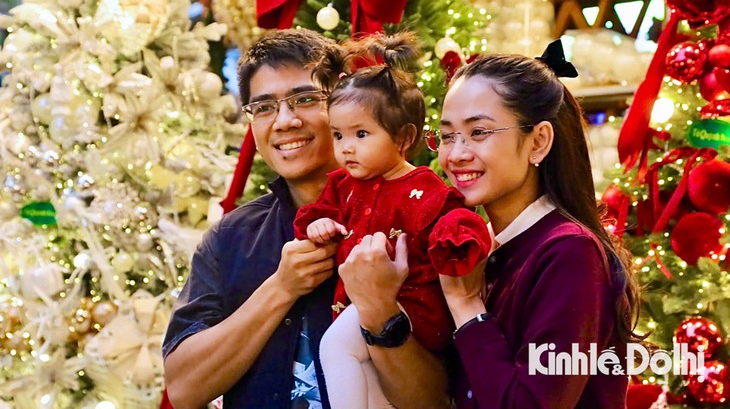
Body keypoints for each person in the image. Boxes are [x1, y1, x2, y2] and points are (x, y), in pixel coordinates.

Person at [162, 28, 450, 409]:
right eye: (264, 107)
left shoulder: (413, 218)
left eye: (305, 99)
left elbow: (438, 399)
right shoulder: (232, 237)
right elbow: (183, 389)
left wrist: (380, 312)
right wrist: (281, 288)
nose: (284, 120)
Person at [430, 41, 641, 408]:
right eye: (448, 136)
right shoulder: (483, 248)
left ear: (538, 142)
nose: (456, 153)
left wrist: (466, 307)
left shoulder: (570, 252)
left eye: (478, 132)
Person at [292, 33, 490, 409]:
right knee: (371, 384)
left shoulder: (423, 188)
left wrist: (455, 240)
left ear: (403, 138)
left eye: (361, 134)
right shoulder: (342, 185)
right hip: (360, 304)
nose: (346, 147)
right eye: (338, 135)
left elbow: (457, 221)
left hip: (410, 307)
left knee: (334, 348)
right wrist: (318, 226)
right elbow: (318, 214)